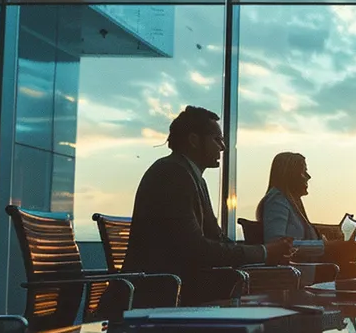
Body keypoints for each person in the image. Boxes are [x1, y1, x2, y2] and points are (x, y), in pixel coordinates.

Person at [123, 106, 291, 305]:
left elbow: (215, 240)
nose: (223, 147)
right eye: (217, 139)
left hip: (179, 289)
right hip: (162, 296)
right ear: (194, 140)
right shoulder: (172, 175)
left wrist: (263, 251)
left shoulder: (189, 175)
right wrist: (263, 252)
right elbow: (196, 249)